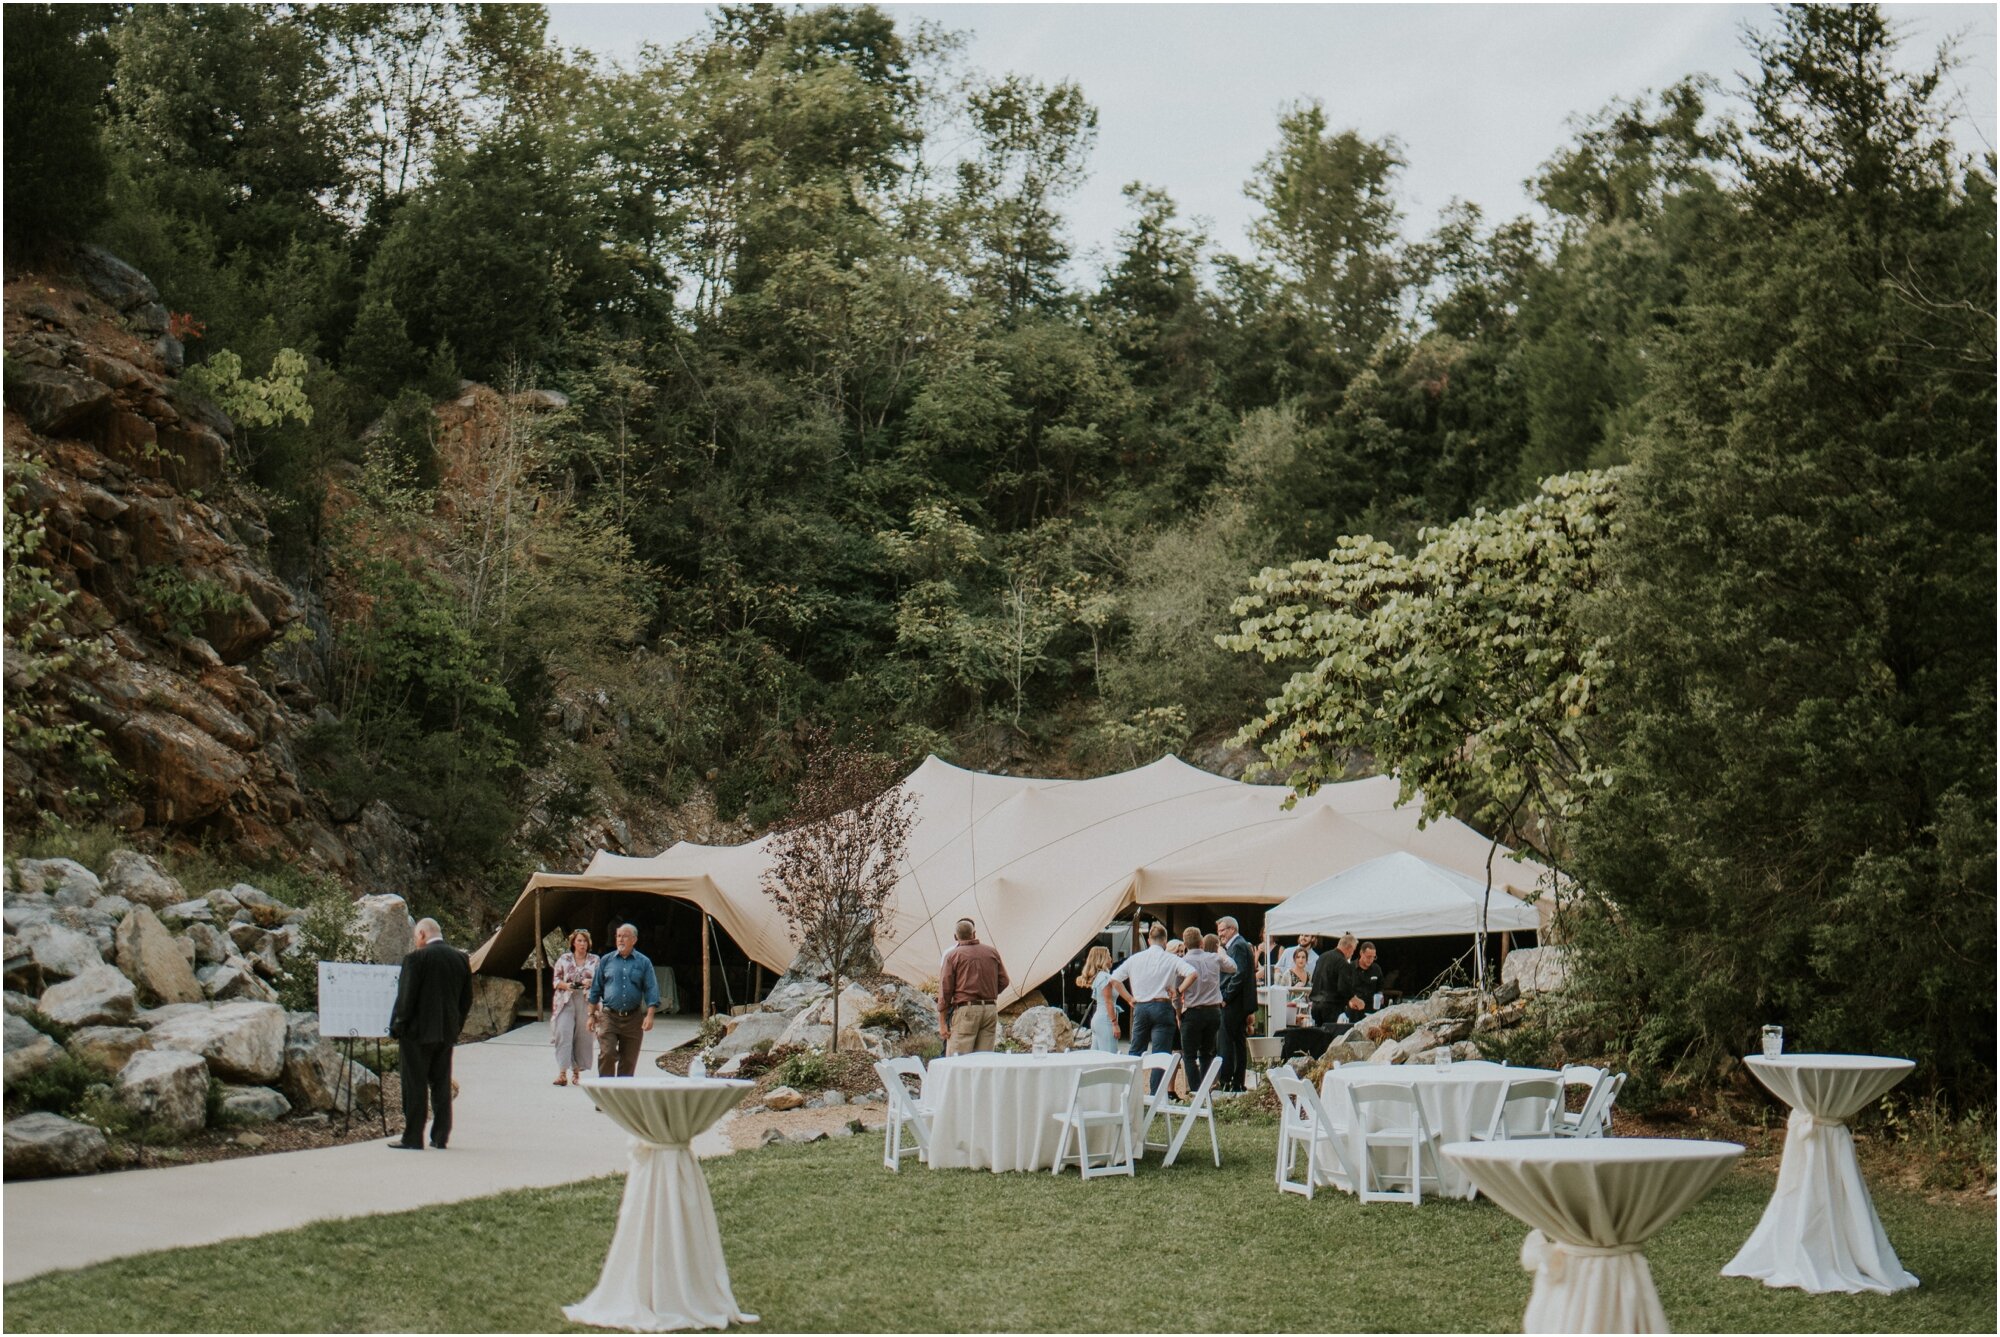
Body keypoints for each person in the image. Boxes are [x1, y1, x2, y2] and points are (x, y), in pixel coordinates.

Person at [388, 917, 472, 1150]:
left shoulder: (416, 959)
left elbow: (406, 998)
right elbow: (466, 999)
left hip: (416, 1033)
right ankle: (441, 1136)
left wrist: (397, 1026)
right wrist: (456, 1026)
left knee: (414, 1084)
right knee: (441, 1083)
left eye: (416, 936)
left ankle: (413, 1137)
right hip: (446, 1033)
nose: (416, 941)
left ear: (423, 934)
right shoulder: (460, 959)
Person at [1111, 924, 1195, 1092]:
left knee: (1136, 1050)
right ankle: (1156, 1093)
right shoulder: (1171, 959)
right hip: (1162, 1006)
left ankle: (1130, 1091)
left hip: (1141, 1006)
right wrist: (1178, 991)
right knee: (1160, 1054)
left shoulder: (1136, 959)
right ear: (1164, 941)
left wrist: (1128, 998)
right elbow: (1193, 973)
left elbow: (1114, 979)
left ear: (1149, 940)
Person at [588, 923, 660, 1077]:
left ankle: (621, 1099)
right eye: (618, 936)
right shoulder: (606, 960)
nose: (620, 939)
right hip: (609, 1016)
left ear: (634, 940)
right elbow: (595, 989)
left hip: (633, 1019)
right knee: (607, 1054)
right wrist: (591, 1015)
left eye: (625, 936)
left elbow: (651, 989)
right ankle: (606, 1098)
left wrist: (650, 1015)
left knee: (628, 1062)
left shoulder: (644, 962)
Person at [1177, 931, 1235, 1093]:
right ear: (1202, 942)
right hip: (1213, 1011)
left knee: (1189, 1054)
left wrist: (1177, 1013)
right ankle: (1205, 1088)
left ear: (1185, 944)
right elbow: (1233, 967)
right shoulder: (1213, 958)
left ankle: (1196, 1090)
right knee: (1207, 1052)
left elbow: (1176, 992)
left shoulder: (1183, 961)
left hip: (1193, 1010)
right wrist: (1222, 953)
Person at [939, 920, 1009, 1054]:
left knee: (958, 1060)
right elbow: (1004, 981)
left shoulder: (952, 956)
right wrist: (988, 992)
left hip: (966, 1010)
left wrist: (942, 1022)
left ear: (955, 937)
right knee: (984, 1060)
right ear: (974, 934)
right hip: (990, 1009)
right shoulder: (991, 952)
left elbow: (945, 990)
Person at [549, 929, 598, 1086]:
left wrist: (590, 983)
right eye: (579, 941)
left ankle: (576, 1071)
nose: (582, 944)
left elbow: (601, 980)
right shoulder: (564, 959)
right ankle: (562, 1072)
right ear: (573, 943)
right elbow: (555, 981)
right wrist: (567, 985)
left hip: (586, 1000)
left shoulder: (595, 960)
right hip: (566, 999)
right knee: (563, 1033)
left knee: (582, 1036)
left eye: (585, 941)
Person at [1216, 916, 1257, 1092]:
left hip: (1235, 1002)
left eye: (1222, 931)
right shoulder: (1239, 945)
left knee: (1228, 1041)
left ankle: (1228, 1080)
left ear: (1232, 929)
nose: (1220, 935)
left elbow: (1238, 975)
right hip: (1239, 1002)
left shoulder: (1238, 946)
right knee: (1238, 1041)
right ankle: (1237, 1081)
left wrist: (1226, 996)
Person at [1077, 946, 1128, 1052]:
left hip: (1098, 1019)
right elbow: (1108, 1001)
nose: (1111, 958)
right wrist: (1115, 1024)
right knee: (1109, 1055)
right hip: (1106, 1020)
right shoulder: (1105, 977)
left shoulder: (1099, 977)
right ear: (1103, 959)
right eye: (1109, 955)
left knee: (1096, 1056)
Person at [1308, 932, 1358, 1028]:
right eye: (1353, 950)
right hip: (1331, 1006)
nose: (1352, 953)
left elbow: (1314, 979)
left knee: (1317, 1036)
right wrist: (1354, 999)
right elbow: (1343, 988)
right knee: (1330, 1037)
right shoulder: (1343, 963)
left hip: (1316, 1005)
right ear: (1349, 948)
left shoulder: (1322, 957)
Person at [1352, 941, 1386, 1016]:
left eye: (1373, 957)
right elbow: (1344, 989)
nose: (1371, 960)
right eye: (1368, 957)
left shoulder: (1376, 969)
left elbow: (1380, 987)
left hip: (1372, 1010)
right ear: (1361, 953)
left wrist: (1380, 995)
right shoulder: (1350, 968)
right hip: (1355, 1011)